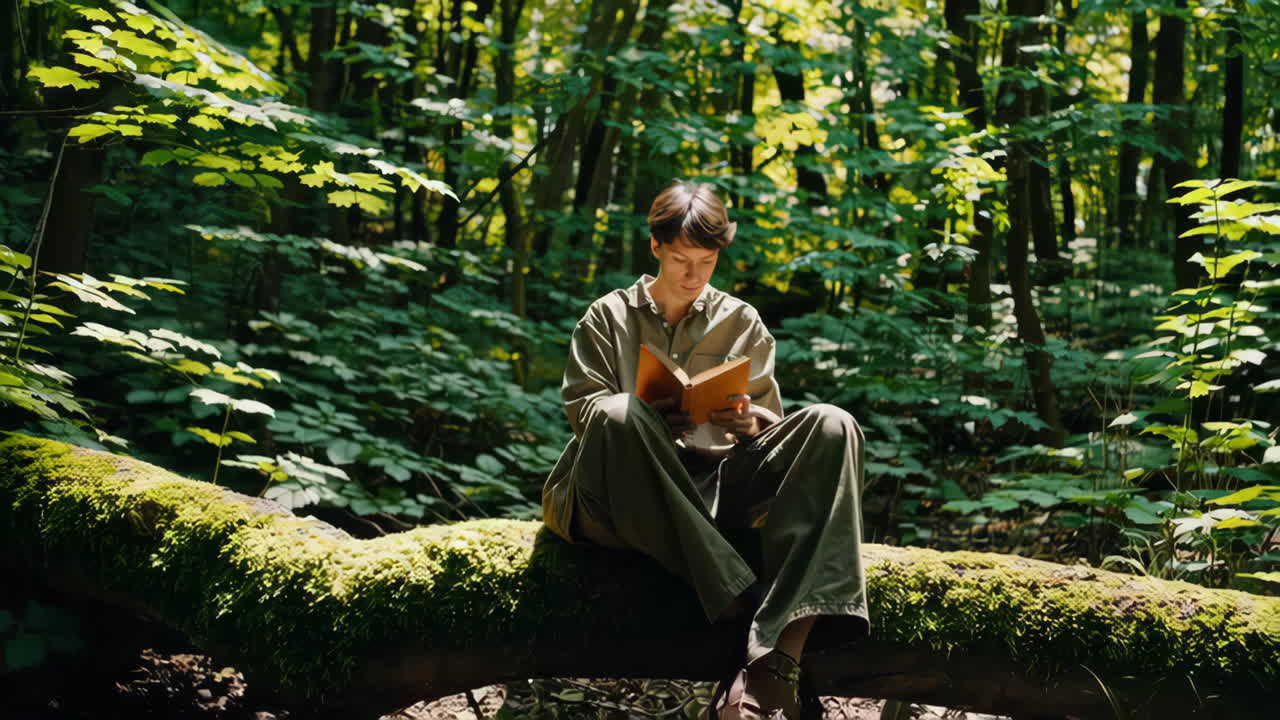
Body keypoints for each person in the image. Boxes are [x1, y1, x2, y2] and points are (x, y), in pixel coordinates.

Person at [541, 180, 868, 720]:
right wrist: (646, 417)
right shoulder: (606, 316)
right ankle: (747, 604)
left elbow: (773, 435)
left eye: (707, 261)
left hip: (713, 491)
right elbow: (588, 421)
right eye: (679, 260)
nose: (693, 276)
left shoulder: (742, 322)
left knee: (835, 424)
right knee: (619, 414)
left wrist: (752, 422)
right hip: (616, 497)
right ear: (654, 248)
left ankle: (773, 663)